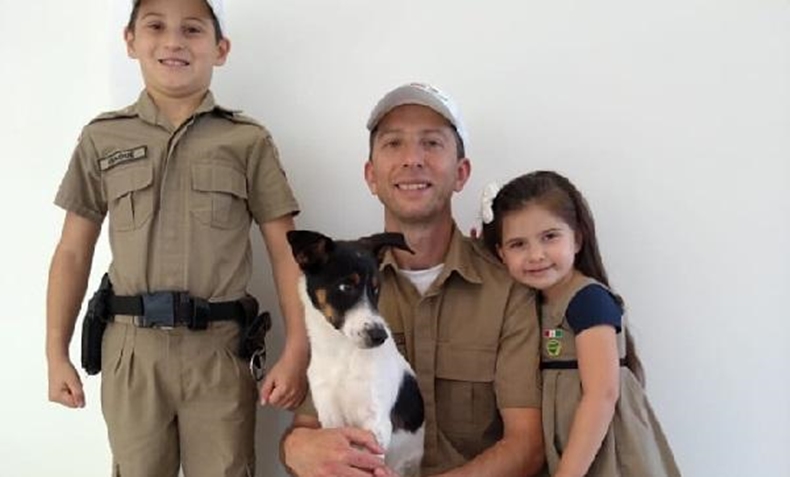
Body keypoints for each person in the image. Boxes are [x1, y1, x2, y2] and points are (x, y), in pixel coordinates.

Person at [45, 0, 309, 475]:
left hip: (219, 351)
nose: (173, 41)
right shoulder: (103, 139)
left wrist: (297, 350)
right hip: (132, 352)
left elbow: (286, 253)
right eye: (156, 26)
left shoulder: (247, 141)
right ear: (131, 41)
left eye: (192, 29)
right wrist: (55, 352)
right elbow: (72, 251)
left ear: (220, 48)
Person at [280, 82, 546, 477]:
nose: (412, 159)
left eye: (431, 143)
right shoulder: (333, 284)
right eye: (393, 143)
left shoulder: (508, 290)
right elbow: (308, 429)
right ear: (371, 176)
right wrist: (296, 449)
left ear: (461, 173)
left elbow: (527, 446)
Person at [480, 170, 682, 477]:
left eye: (549, 237)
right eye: (518, 244)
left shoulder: (587, 300)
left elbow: (602, 394)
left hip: (602, 452)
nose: (536, 255)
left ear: (576, 238)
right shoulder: (530, 306)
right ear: (501, 253)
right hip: (568, 451)